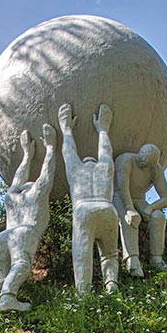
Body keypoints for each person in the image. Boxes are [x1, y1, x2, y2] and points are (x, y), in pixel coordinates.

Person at [0, 124, 56, 311]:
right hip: (24, 233)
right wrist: (51, 147)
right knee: (22, 265)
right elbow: (47, 174)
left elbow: (17, 178)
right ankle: (7, 298)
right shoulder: (37, 192)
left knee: (5, 276)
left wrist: (27, 155)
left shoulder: (12, 196)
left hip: (3, 237)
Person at [58, 102, 119, 295]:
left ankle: (83, 295)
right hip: (107, 208)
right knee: (109, 254)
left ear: (85, 162)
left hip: (84, 210)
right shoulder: (103, 169)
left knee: (82, 255)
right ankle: (111, 288)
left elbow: (69, 153)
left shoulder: (77, 170)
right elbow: (106, 152)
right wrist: (103, 129)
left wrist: (66, 130)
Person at [113, 144, 167, 276]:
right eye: (143, 162)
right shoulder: (125, 160)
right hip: (119, 196)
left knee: (159, 217)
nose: (144, 166)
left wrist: (151, 208)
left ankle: (156, 257)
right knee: (130, 219)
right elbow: (123, 187)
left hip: (140, 199)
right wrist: (129, 209)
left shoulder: (155, 168)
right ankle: (132, 259)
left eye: (147, 165)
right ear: (139, 153)